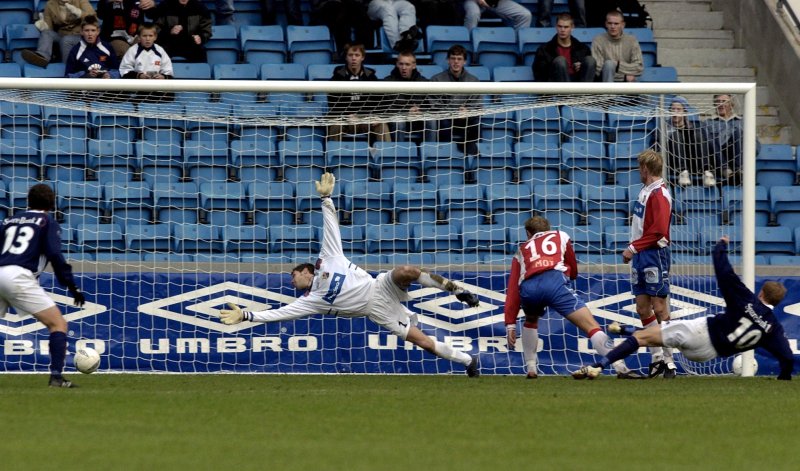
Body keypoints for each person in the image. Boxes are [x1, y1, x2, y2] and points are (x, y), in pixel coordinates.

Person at [218, 173, 482, 377]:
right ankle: (469, 361)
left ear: (306, 270)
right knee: (423, 342)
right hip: (377, 311)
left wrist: (326, 199)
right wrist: (246, 315)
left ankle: (456, 289)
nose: (291, 280)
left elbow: (330, 226)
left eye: (293, 275)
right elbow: (279, 314)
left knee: (406, 270)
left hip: (380, 287)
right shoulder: (312, 300)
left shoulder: (329, 258)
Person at [573, 236, 795, 380]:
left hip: (701, 331)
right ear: (777, 303)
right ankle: (624, 331)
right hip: (707, 355)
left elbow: (726, 276)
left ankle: (598, 365)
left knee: (643, 338)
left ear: (761, 293)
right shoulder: (772, 327)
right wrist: (784, 377)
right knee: (660, 334)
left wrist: (720, 249)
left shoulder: (748, 301)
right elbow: (786, 356)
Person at [504, 215, 638, 379]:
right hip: (554, 283)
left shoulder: (521, 249)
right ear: (548, 229)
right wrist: (566, 274)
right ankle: (620, 367)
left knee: (531, 320)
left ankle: (531, 368)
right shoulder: (561, 236)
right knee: (591, 326)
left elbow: (512, 289)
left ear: (528, 233)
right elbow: (573, 269)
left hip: (529, 288)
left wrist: (510, 324)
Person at [0, 184, 86, 388]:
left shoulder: (9, 220)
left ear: (28, 201)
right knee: (58, 324)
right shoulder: (47, 221)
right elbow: (55, 255)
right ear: (52, 203)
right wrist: (72, 287)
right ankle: (56, 377)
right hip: (18, 275)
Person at [622, 149, 676, 378]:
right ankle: (656, 358)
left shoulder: (660, 194)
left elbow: (659, 231)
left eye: (639, 167)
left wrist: (633, 247)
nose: (638, 171)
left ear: (645, 168)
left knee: (660, 307)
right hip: (642, 255)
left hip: (654, 254)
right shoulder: (646, 191)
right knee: (642, 307)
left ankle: (670, 361)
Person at [327, 43, 391, 143]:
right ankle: (333, 155)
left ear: (362, 57)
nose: (353, 58)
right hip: (344, 119)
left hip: (365, 119)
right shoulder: (337, 77)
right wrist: (347, 115)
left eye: (357, 55)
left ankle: (387, 156)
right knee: (335, 125)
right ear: (346, 57)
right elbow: (333, 102)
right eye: (350, 55)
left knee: (381, 125)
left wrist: (375, 116)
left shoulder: (371, 77)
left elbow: (379, 101)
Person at [430, 44, 481, 158]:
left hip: (466, 118)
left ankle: (470, 155)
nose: (456, 62)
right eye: (453, 58)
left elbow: (477, 104)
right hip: (446, 117)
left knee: (476, 120)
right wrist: (454, 112)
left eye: (459, 59)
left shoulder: (473, 80)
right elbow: (434, 104)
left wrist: (467, 111)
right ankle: (447, 154)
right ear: (448, 60)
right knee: (444, 122)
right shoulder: (437, 79)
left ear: (464, 62)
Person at [656, 96, 712, 188]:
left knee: (698, 135)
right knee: (676, 135)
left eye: (678, 109)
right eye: (673, 109)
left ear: (685, 112)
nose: (675, 112)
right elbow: (658, 148)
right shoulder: (663, 128)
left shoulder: (693, 128)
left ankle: (706, 172)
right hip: (673, 164)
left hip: (693, 163)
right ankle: (682, 172)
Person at [22, 0, 97, 68]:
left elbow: (92, 18)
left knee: (66, 40)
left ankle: (67, 66)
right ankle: (43, 57)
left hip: (79, 35)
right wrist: (43, 26)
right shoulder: (50, 4)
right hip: (62, 34)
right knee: (47, 33)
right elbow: (49, 27)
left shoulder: (80, 1)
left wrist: (79, 13)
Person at [703, 93, 751, 186]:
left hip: (737, 157)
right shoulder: (707, 123)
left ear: (731, 104)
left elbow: (755, 146)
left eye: (724, 101)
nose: (721, 104)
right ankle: (725, 170)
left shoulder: (742, 122)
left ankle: (740, 170)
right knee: (711, 137)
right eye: (718, 102)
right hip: (716, 158)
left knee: (738, 133)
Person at [532, 13, 596, 82]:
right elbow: (539, 75)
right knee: (560, 61)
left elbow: (591, 74)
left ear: (572, 28)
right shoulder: (544, 50)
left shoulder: (583, 49)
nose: (562, 30)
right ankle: (567, 92)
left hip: (578, 86)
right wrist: (555, 67)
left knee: (590, 60)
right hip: (556, 87)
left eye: (566, 27)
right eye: (560, 26)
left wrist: (582, 67)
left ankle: (586, 92)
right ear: (556, 27)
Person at [383, 51, 428, 142]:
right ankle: (399, 153)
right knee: (399, 122)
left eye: (407, 64)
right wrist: (407, 110)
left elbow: (429, 103)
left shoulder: (423, 82)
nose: (404, 68)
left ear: (414, 65)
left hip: (418, 119)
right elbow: (387, 106)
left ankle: (431, 151)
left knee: (431, 121)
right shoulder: (388, 81)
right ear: (397, 64)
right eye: (401, 64)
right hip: (397, 118)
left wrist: (420, 110)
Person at [591, 10, 643, 82]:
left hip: (626, 81)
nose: (613, 26)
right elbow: (598, 69)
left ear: (623, 25)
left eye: (616, 24)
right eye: (610, 23)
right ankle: (609, 93)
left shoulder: (632, 40)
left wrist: (617, 65)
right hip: (605, 80)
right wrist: (621, 71)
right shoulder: (598, 40)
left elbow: (639, 67)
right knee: (609, 64)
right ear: (606, 24)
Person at [463, 0, 532, 31]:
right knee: (473, 13)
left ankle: (517, 49)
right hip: (473, 1)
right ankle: (466, 48)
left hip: (496, 2)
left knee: (525, 15)